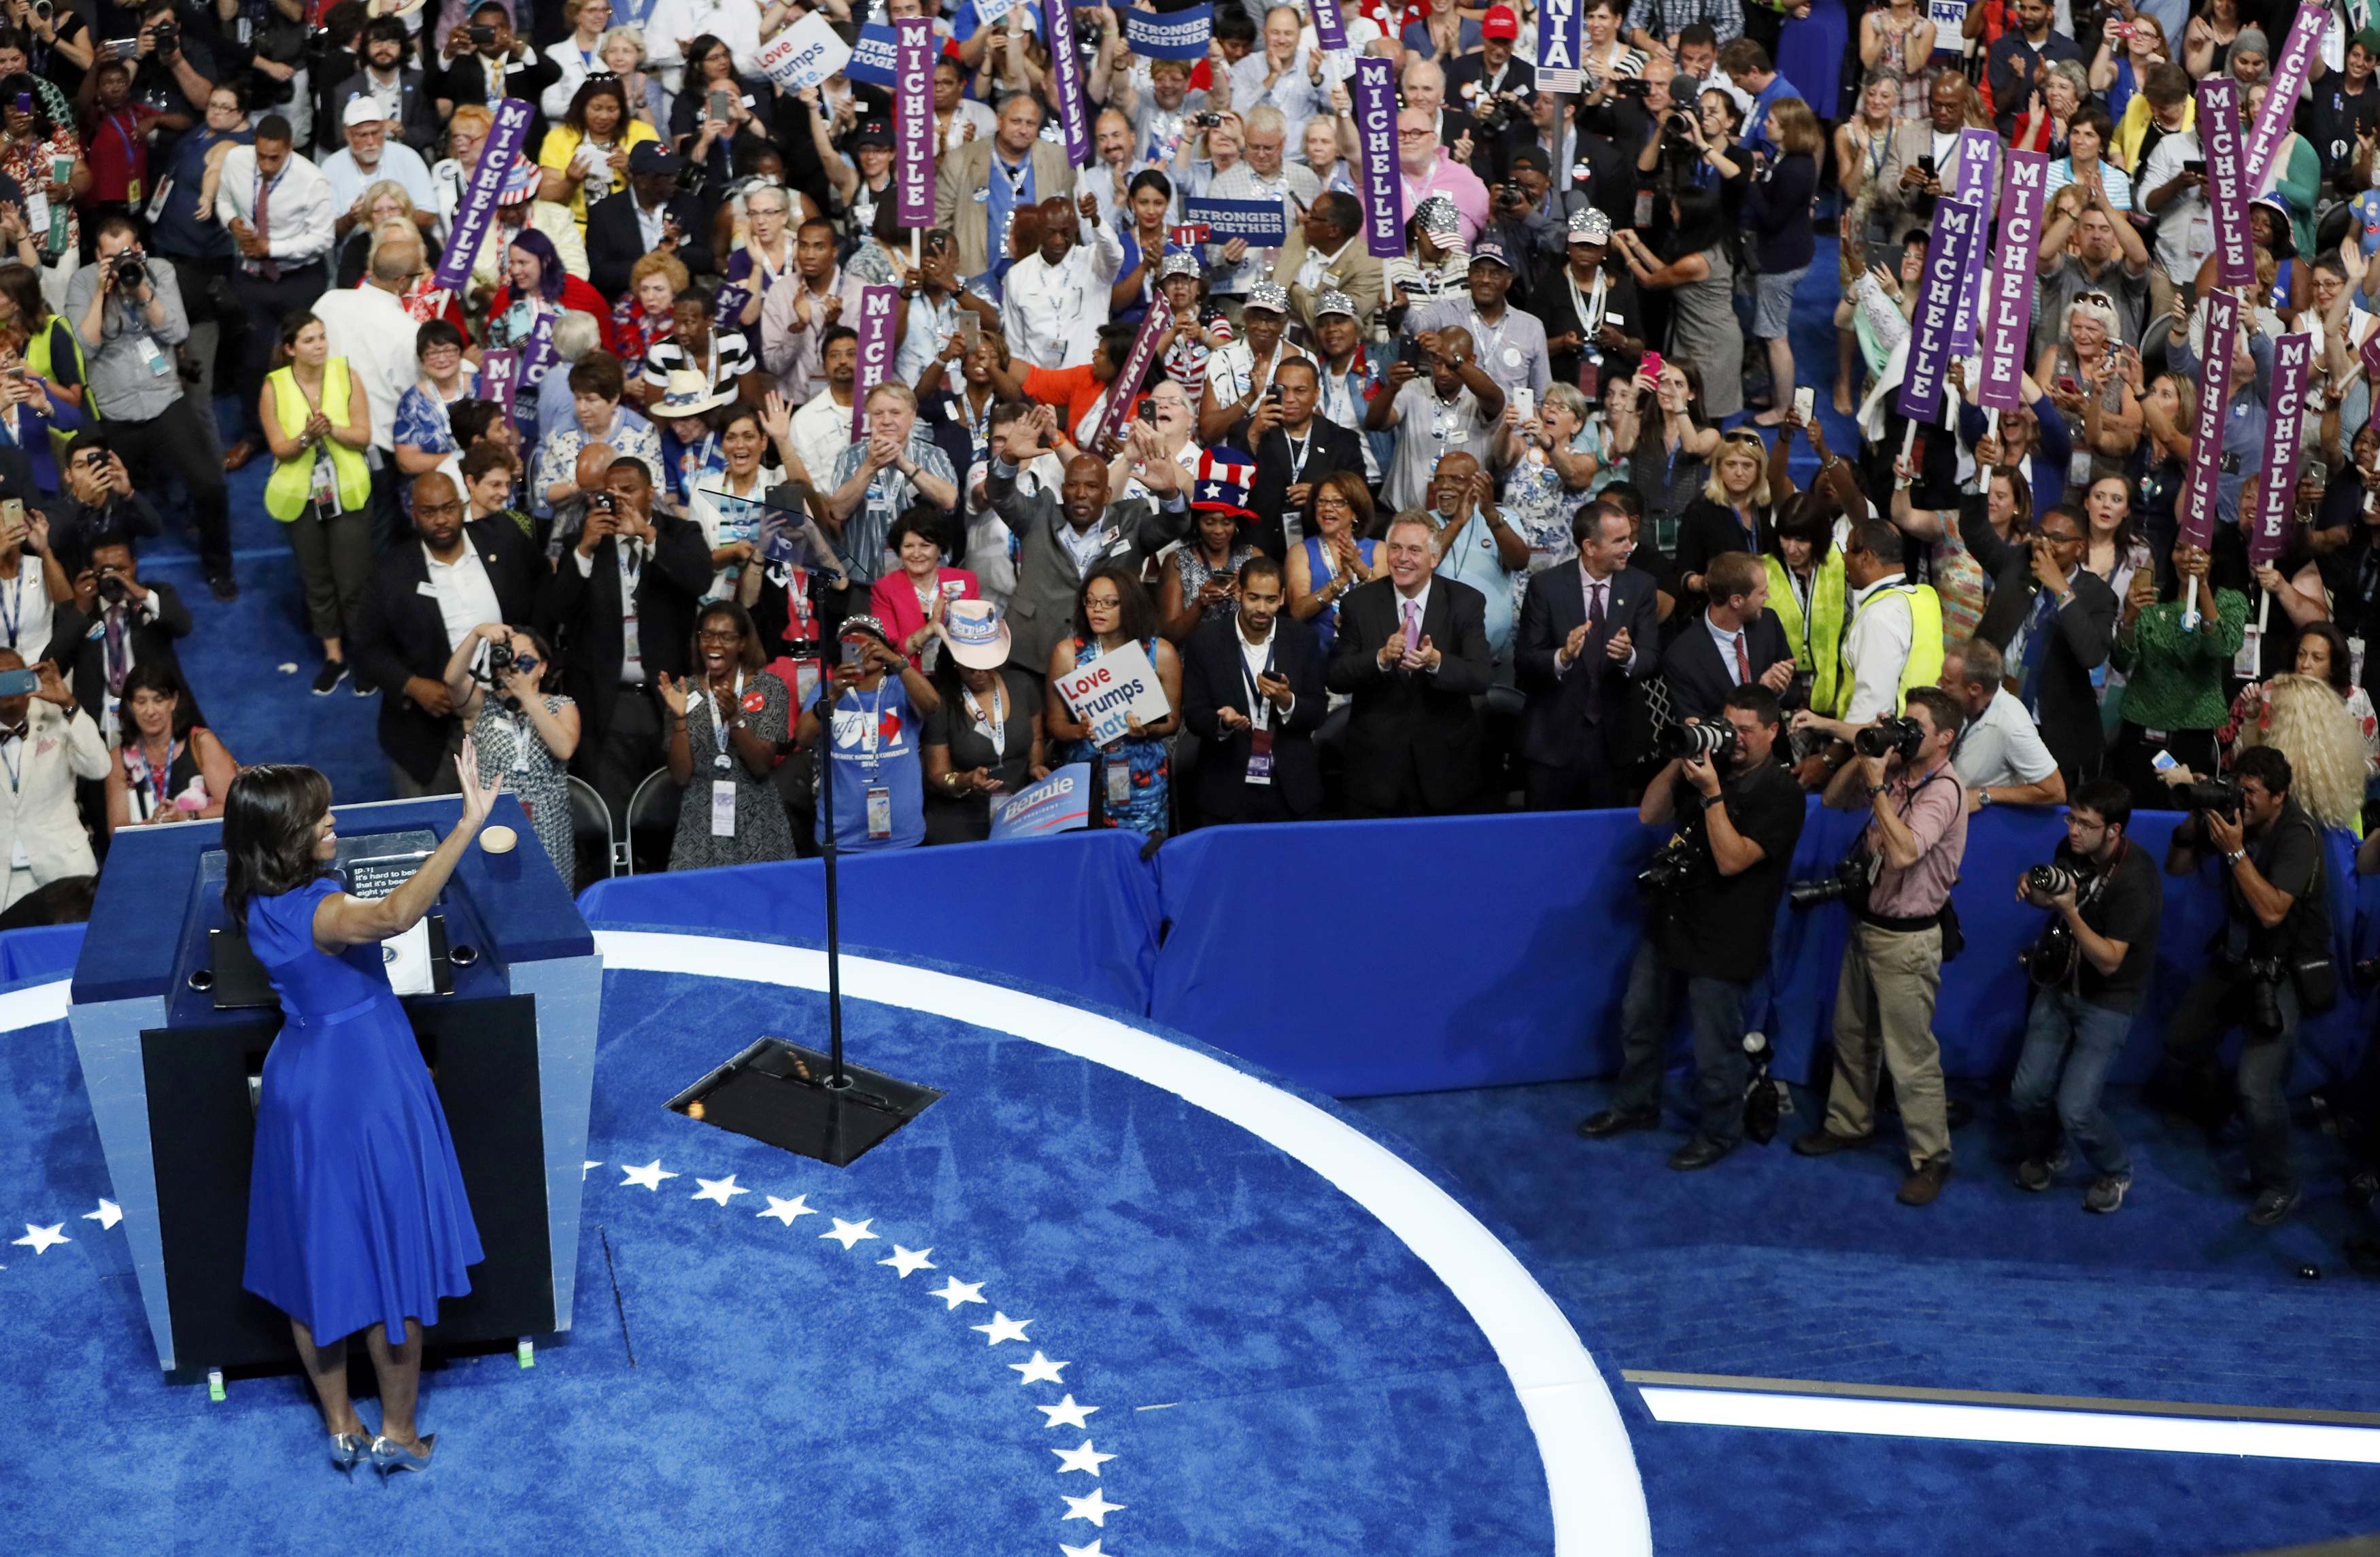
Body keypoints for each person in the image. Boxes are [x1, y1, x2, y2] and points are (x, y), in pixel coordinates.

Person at [225, 757, 497, 1477]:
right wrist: (467, 824)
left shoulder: (254, 901)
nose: (332, 822)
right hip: (367, 1083)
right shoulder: (323, 911)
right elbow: (396, 915)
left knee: (317, 1257)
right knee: (390, 1267)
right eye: (319, 815)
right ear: (287, 834)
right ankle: (399, 1437)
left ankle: (341, 1425)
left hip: (300, 1085)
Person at [1582, 683, 1808, 1167]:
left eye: (1746, 730)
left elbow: (1731, 860)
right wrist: (1679, 753)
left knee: (1715, 1047)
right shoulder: (1710, 764)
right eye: (1729, 726)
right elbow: (1649, 814)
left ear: (1774, 731)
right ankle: (1635, 1105)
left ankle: (1720, 1132)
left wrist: (1710, 793)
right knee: (1638, 1019)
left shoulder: (1783, 794)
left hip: (1727, 936)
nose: (1736, 739)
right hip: (1672, 919)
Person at [1797, 685, 1970, 1208]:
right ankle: (1849, 1123)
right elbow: (1832, 799)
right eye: (1904, 724)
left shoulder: (1945, 791)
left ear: (1944, 739)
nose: (1907, 735)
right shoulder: (1895, 771)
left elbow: (1901, 855)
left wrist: (1877, 786)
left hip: (1908, 940)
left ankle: (1931, 1158)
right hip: (1865, 923)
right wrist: (1866, 752)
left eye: (1916, 729)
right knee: (1852, 1034)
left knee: (1911, 1057)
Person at [2152, 747, 2332, 1227]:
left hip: (2283, 969)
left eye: (2252, 793)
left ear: (2279, 796)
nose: (2243, 800)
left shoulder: (2298, 836)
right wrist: (2194, 822)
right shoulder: (2234, 817)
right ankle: (2219, 1112)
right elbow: (2178, 867)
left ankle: (2279, 1183)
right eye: (2239, 788)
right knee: (2179, 1041)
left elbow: (2273, 911)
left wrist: (2233, 850)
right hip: (2235, 959)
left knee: (2257, 1084)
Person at [2008, 778, 2163, 1213]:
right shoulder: (2071, 849)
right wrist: (2033, 888)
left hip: (2107, 999)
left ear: (2113, 831)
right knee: (2025, 1093)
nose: (2073, 830)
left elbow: (2111, 960)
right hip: (2058, 986)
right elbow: (2051, 896)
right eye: (2071, 819)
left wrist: (2071, 911)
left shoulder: (2137, 879)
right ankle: (2047, 1150)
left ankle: (2115, 1169)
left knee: (2076, 1108)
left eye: (2085, 824)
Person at [66, 215, 235, 599]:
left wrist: (142, 288)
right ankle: (110, 574)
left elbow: (177, 332)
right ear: (97, 255)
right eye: (111, 255)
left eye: (126, 252)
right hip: (115, 410)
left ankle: (219, 569)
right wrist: (102, 292)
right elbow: (85, 346)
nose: (120, 260)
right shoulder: (82, 280)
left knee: (210, 484)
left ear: (139, 248)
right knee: (101, 497)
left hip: (164, 401)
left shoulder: (159, 271)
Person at [348, 471, 546, 798]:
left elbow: (543, 599)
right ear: (413, 514)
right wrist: (411, 685)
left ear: (463, 505)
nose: (441, 520)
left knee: (511, 826)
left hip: (511, 713)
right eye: (429, 512)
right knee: (432, 833)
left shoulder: (503, 538)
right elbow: (366, 647)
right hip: (430, 732)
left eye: (449, 508)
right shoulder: (391, 572)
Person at [538, 457, 713, 818]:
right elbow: (556, 611)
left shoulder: (681, 534)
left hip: (665, 696)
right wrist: (584, 549)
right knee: (613, 811)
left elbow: (699, 580)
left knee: (671, 809)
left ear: (651, 493)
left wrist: (649, 537)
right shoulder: (585, 542)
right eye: (610, 493)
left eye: (628, 491)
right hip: (607, 700)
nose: (619, 500)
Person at [984, 422, 1194, 687]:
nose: (1081, 494)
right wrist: (1008, 459)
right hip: (1031, 654)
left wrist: (1168, 493)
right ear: (1063, 490)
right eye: (1073, 485)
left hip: (1108, 660)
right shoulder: (1039, 514)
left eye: (1092, 487)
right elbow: (1000, 496)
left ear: (1107, 494)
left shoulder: (1131, 521)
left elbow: (1174, 525)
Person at [1325, 512, 1495, 817]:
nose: (1402, 558)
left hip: (1446, 770)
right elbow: (1336, 676)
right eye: (1395, 548)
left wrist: (1436, 662)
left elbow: (1480, 676)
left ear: (1434, 557)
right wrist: (1380, 658)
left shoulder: (1466, 602)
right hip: (1375, 773)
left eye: (1414, 550)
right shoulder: (1359, 604)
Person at [1516, 502, 1662, 809]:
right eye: (1619, 541)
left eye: (1629, 538)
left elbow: (1651, 658)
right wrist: (1562, 657)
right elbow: (1525, 661)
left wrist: (1628, 656)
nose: (1630, 547)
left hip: (1615, 744)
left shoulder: (1641, 586)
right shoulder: (1546, 586)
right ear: (1590, 547)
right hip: (1552, 742)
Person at [1958, 502, 2117, 786]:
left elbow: (2092, 654)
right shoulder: (2018, 562)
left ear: (2079, 548)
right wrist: (1980, 476)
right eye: (2040, 534)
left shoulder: (2098, 595)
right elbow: (1974, 531)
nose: (2044, 544)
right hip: (1991, 711)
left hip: (2051, 729)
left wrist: (2062, 591)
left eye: (2056, 539)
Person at [261, 312, 375, 696]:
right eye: (309, 340)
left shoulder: (347, 375)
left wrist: (332, 430)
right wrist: (308, 439)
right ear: (291, 348)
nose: (320, 346)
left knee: (354, 582)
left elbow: (363, 435)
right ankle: (334, 658)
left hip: (347, 490)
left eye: (323, 337)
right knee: (317, 581)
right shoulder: (273, 387)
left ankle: (365, 657)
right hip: (301, 496)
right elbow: (279, 447)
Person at [1179, 553, 1327, 825]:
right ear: (1238, 593)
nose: (1261, 608)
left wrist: (1288, 701)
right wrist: (1222, 722)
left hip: (1291, 787)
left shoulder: (1302, 640)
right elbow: (1195, 713)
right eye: (1253, 598)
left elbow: (1318, 711)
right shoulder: (1206, 642)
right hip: (1226, 786)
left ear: (1282, 597)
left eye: (1270, 600)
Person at [1045, 566, 1183, 839]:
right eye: (1091, 601)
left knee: (1142, 860)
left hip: (1143, 779)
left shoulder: (1162, 653)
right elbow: (1054, 723)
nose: (1098, 609)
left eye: (1109, 603)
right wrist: (1079, 731)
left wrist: (1149, 729)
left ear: (1130, 605)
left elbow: (1172, 722)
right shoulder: (1067, 653)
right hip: (1087, 780)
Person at [2106, 543, 2244, 810]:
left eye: (2199, 553)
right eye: (2179, 549)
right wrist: (2130, 618)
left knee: (2183, 817)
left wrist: (2202, 586)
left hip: (2192, 732)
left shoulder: (2229, 600)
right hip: (2141, 728)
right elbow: (2121, 662)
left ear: (2213, 558)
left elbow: (2220, 647)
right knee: (2131, 811)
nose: (2187, 559)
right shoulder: (2152, 597)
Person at [437, 621, 579, 880]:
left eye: (525, 660)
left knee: (548, 903)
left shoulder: (561, 706)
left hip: (549, 823)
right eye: (509, 657)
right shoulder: (482, 704)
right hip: (493, 817)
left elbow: (565, 748)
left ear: (543, 667)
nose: (515, 666)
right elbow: (452, 680)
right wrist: (477, 633)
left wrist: (527, 696)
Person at [660, 599, 792, 870]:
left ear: (743, 643)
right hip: (699, 820)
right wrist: (680, 718)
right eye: (707, 635)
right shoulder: (683, 691)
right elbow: (681, 775)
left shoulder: (769, 688)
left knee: (760, 906)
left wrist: (734, 718)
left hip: (757, 818)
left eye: (726, 637)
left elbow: (761, 766)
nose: (715, 644)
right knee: (698, 906)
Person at [797, 614, 939, 854]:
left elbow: (932, 705)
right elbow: (802, 738)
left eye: (871, 641)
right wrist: (834, 696)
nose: (863, 646)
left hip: (903, 835)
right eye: (852, 642)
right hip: (842, 837)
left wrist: (896, 660)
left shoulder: (902, 687)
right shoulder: (826, 692)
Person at [919, 600, 1047, 846]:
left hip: (1021, 809)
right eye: (971, 664)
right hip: (960, 818)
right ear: (955, 661)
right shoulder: (941, 701)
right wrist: (965, 780)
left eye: (986, 662)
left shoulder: (1022, 685)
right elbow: (937, 774)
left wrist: (1036, 765)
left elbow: (1037, 737)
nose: (979, 671)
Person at [61, 539, 190, 749]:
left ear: (134, 565)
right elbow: (53, 662)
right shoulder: (81, 610)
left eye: (122, 570)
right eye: (107, 571)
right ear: (92, 573)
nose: (116, 578)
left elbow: (183, 626)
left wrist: (142, 595)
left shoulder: (155, 595)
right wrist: (80, 611)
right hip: (98, 722)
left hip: (154, 713)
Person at [0, 647, 101, 905]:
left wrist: (69, 704)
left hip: (64, 867)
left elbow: (99, 767)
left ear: (29, 678)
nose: (8, 685)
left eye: (15, 676)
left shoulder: (58, 717)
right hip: (5, 884)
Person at [1242, 354, 1366, 560]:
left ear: (1316, 394)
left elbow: (1360, 498)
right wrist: (1254, 434)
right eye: (1283, 390)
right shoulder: (1248, 432)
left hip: (1323, 552)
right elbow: (1235, 487)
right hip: (1260, 553)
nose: (1290, 399)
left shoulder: (1343, 441)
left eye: (1300, 390)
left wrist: (1321, 495)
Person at [1661, 550, 1796, 725]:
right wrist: (1760, 693)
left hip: (1774, 748)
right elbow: (1698, 727)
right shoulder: (1681, 656)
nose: (1768, 596)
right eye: (1762, 592)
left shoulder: (1768, 624)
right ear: (1737, 601)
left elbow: (1794, 692)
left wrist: (1780, 689)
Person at [103, 659, 233, 833]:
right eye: (141, 702)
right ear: (130, 706)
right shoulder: (118, 759)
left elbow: (233, 807)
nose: (150, 711)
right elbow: (116, 831)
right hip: (147, 855)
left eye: (159, 700)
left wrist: (188, 816)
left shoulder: (201, 743)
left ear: (174, 701)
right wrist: (153, 825)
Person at [1941, 638, 2068, 812]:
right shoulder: (1962, 703)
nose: (1939, 684)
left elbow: (2056, 791)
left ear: (1975, 690)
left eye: (1947, 682)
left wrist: (1983, 795)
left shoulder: (2013, 725)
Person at [869, 511, 981, 674]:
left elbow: (977, 637)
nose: (916, 554)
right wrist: (930, 629)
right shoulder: (885, 589)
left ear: (939, 549)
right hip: (909, 680)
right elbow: (890, 653)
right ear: (899, 550)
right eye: (908, 546)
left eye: (925, 546)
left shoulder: (965, 581)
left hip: (958, 677)